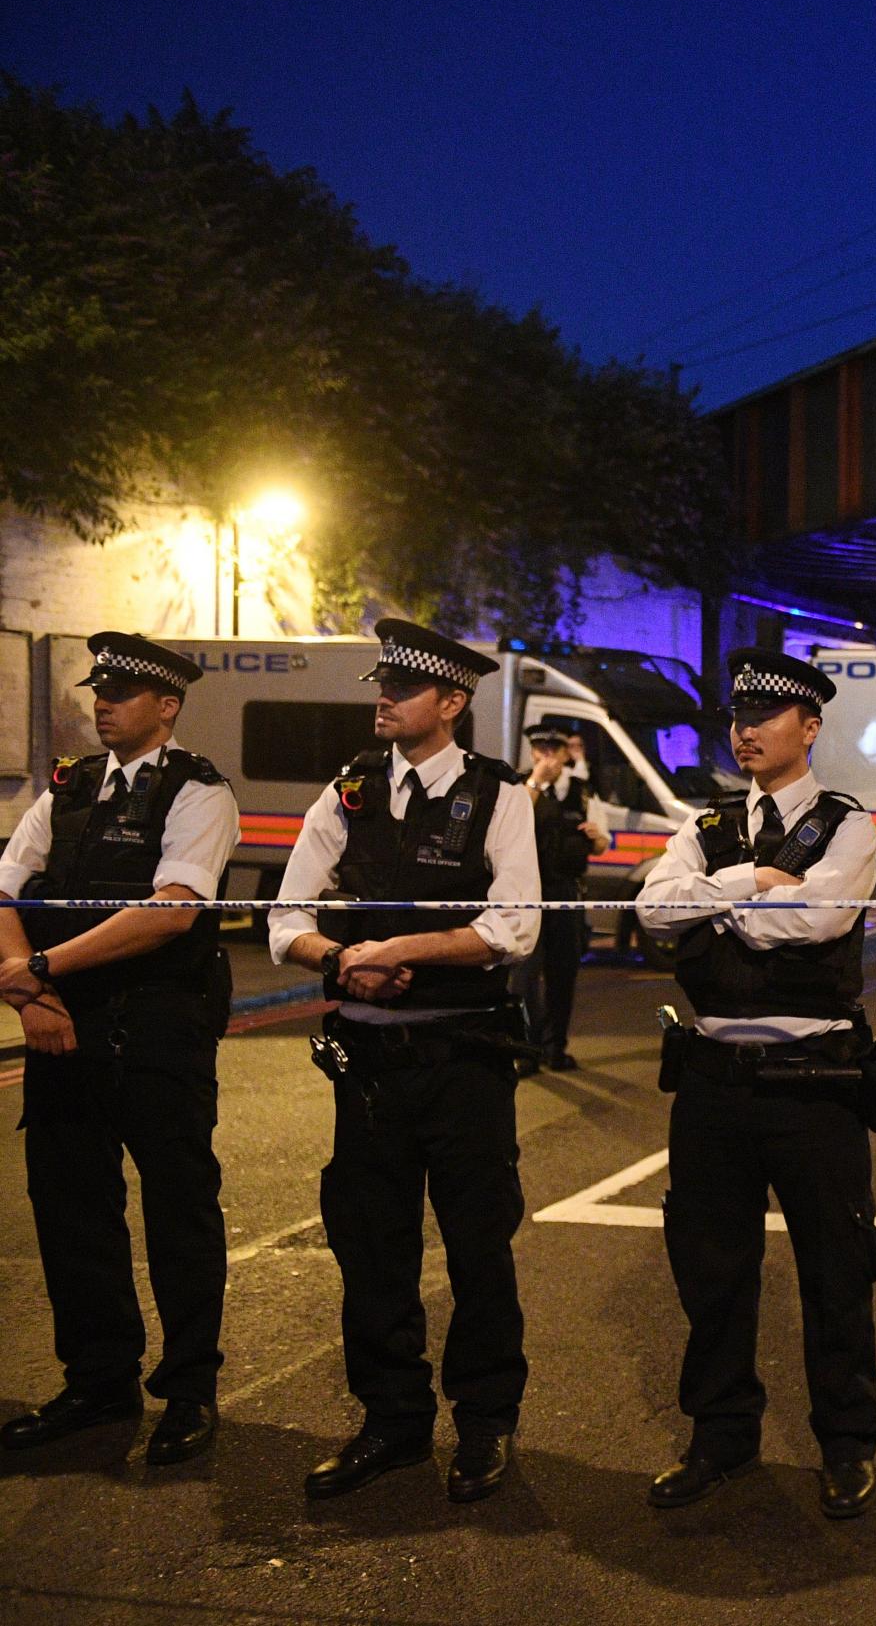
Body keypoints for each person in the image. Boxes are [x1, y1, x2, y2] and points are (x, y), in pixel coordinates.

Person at [269, 620, 541, 1503]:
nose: (382, 696)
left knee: (477, 1248)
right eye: (381, 683)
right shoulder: (342, 795)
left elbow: (514, 927)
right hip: (368, 1064)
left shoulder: (500, 796)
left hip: (463, 1061)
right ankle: (391, 1421)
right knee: (372, 1248)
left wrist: (403, 946)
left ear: (452, 702)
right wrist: (342, 960)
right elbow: (285, 920)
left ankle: (484, 1423)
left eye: (403, 686)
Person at [635, 650, 876, 1521]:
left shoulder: (846, 824)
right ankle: (722, 1435)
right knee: (712, 1270)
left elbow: (819, 916)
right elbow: (653, 913)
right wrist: (752, 880)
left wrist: (715, 901)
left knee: (836, 1269)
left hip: (813, 1081)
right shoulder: (707, 828)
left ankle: (847, 1444)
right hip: (712, 1081)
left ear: (809, 727)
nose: (744, 729)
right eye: (737, 715)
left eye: (766, 715)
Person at [0, 633, 239, 1466]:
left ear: (166, 706)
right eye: (98, 689)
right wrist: (33, 992)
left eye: (122, 693)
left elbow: (171, 911)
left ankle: (188, 1391)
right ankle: (97, 1380)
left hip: (157, 1026)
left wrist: (36, 968)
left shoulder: (199, 792)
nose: (102, 702)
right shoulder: (66, 787)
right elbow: (5, 886)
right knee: (71, 1209)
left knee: (178, 1208)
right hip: (61, 1021)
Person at [514, 722, 610, 1073]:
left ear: (567, 753)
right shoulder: (521, 786)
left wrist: (597, 836)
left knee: (563, 975)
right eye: (540, 750)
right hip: (528, 895)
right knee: (523, 977)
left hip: (566, 893)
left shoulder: (581, 792)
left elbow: (602, 844)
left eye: (554, 750)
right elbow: (514, 821)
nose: (547, 756)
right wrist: (537, 781)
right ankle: (527, 1050)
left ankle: (556, 1050)